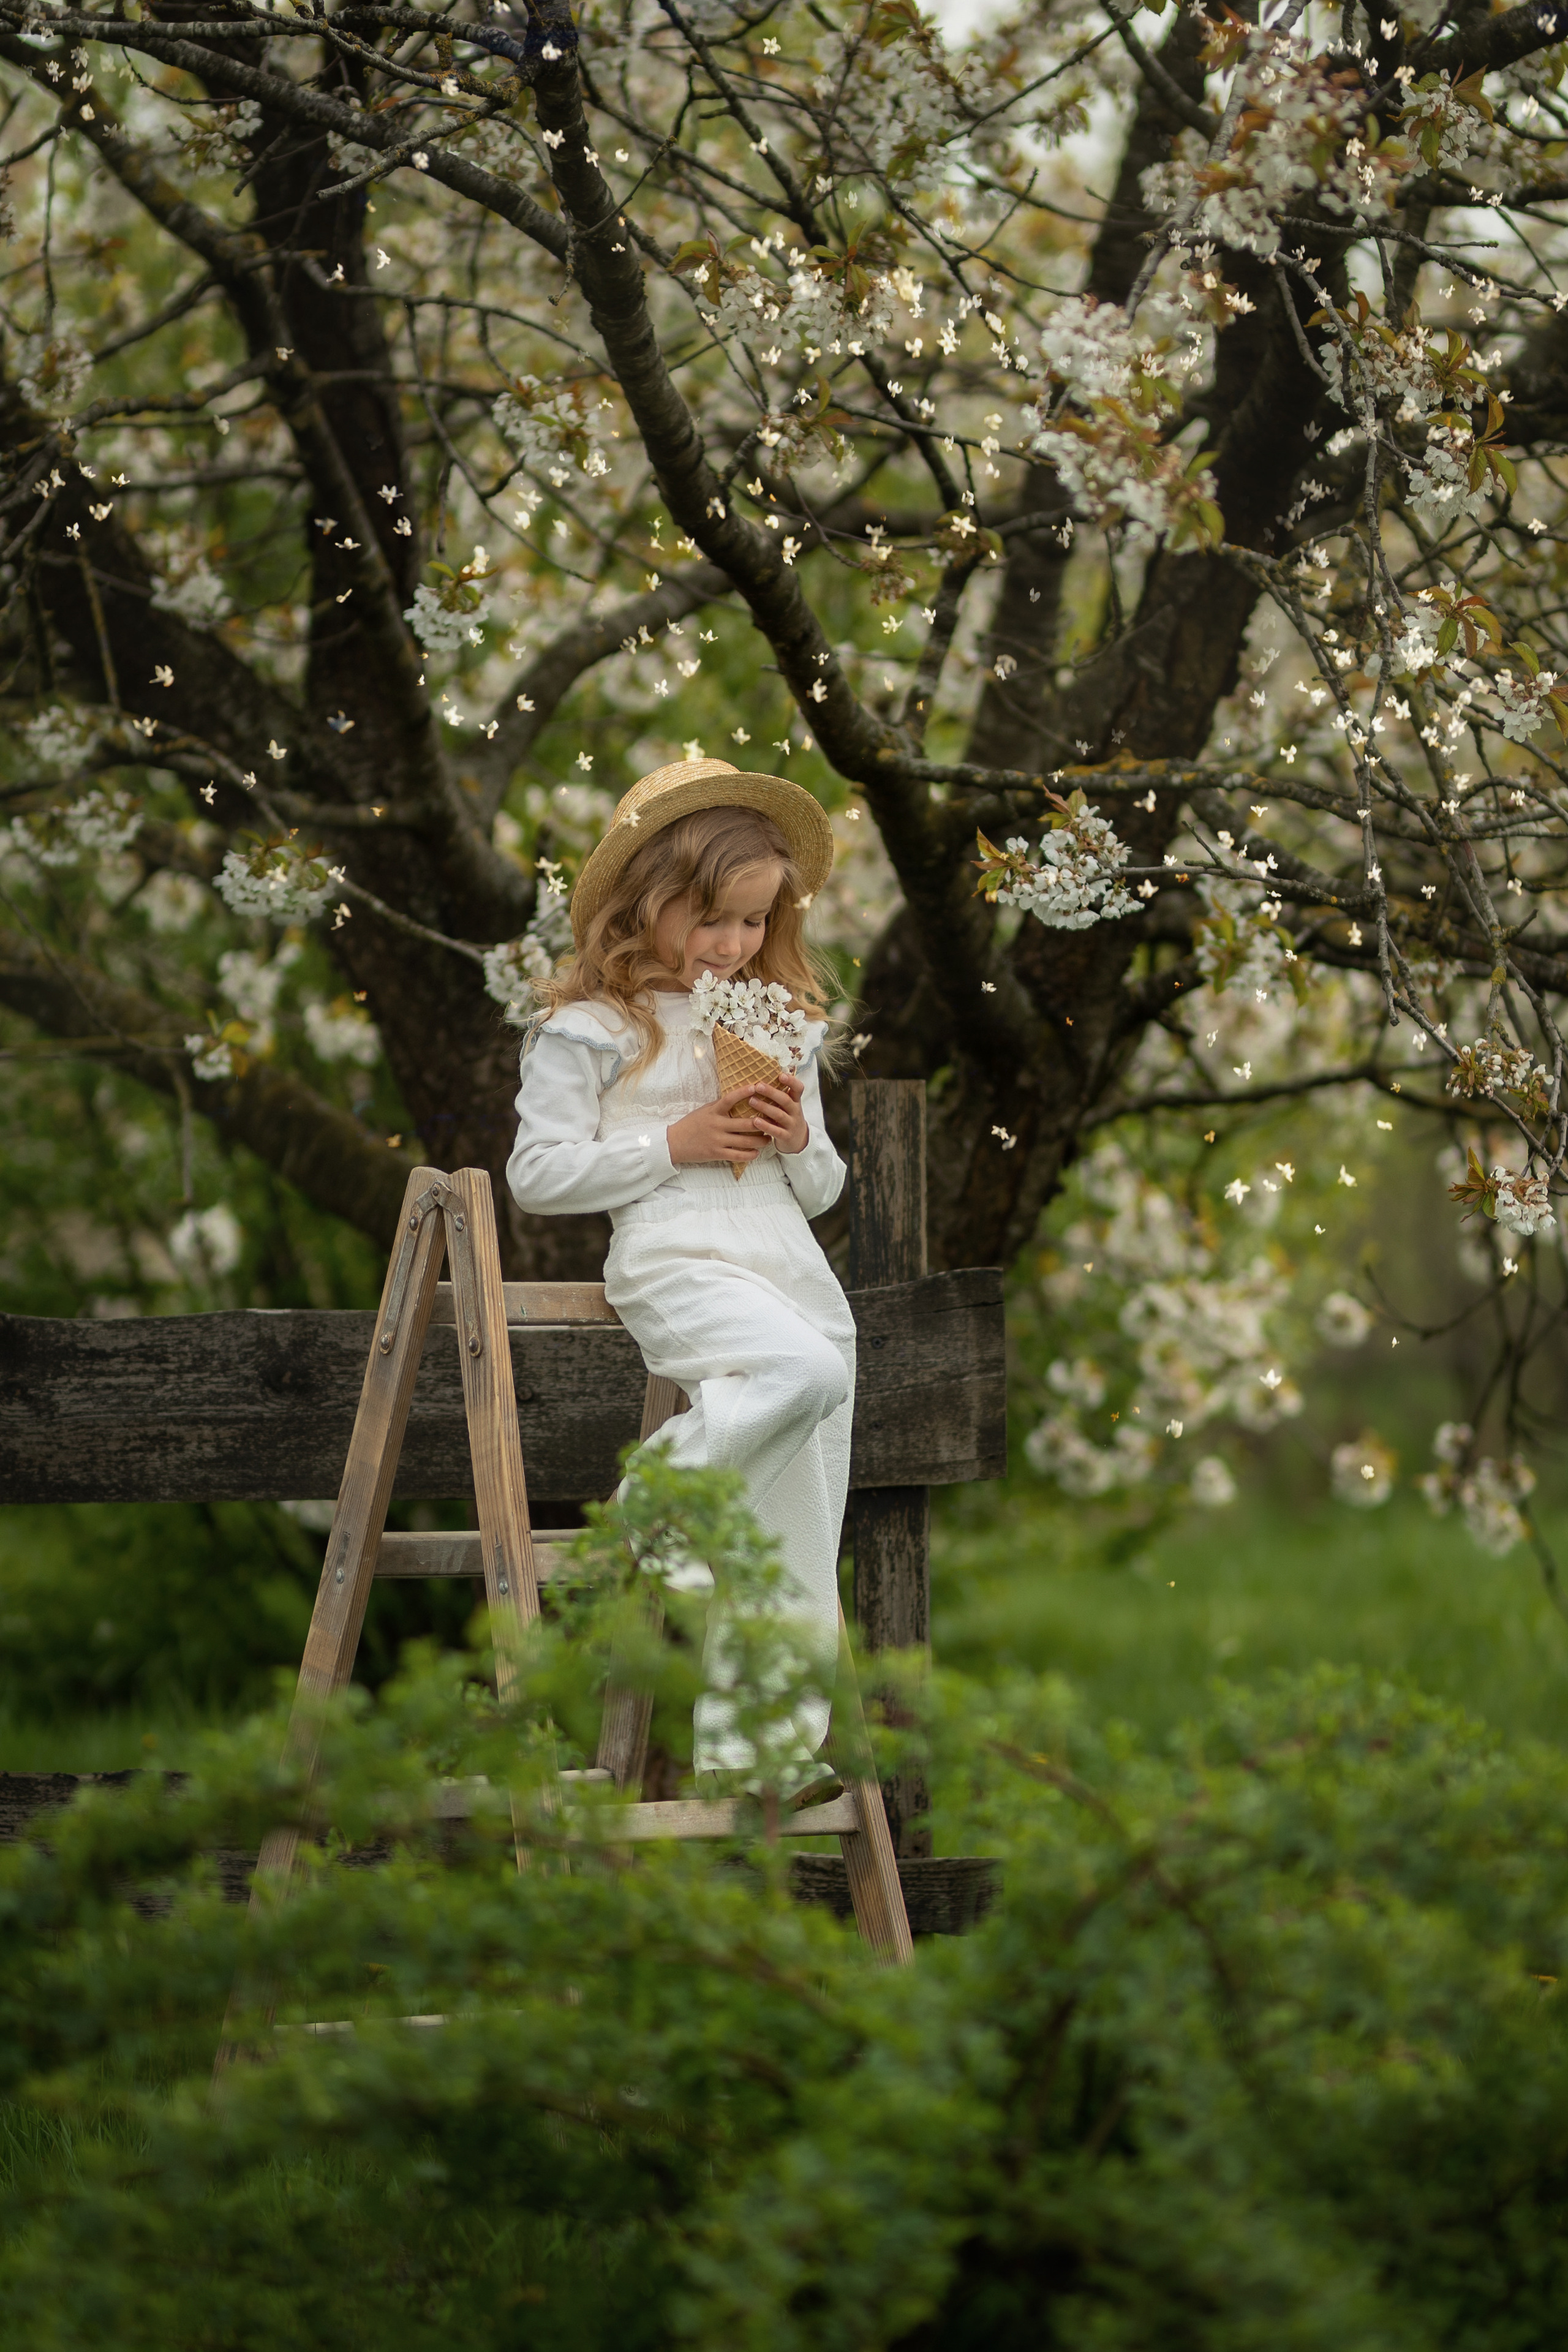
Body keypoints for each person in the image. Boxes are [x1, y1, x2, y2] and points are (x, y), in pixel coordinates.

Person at [506, 756, 853, 1780]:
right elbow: (536, 1173)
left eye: (753, 924)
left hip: (784, 1251)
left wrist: (796, 1137)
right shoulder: (595, 1028)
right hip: (677, 1249)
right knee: (805, 1376)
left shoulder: (780, 1020)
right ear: (644, 901)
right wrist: (676, 1143)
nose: (733, 946)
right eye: (711, 920)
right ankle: (656, 1503)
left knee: (802, 1502)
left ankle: (764, 1753)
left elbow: (825, 1189)